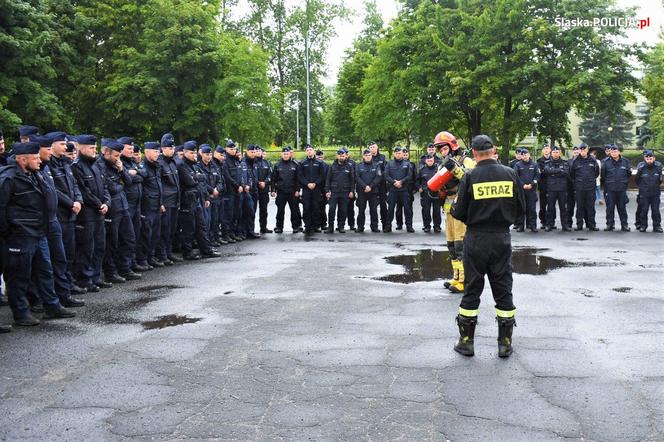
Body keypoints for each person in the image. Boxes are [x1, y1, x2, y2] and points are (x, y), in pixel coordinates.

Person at [450, 135, 524, 358]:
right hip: (501, 238)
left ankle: (466, 342)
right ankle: (505, 343)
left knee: (472, 288)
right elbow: (522, 208)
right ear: (494, 150)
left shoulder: (470, 176)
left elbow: (459, 212)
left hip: (476, 239)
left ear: (473, 153)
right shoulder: (510, 174)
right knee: (503, 288)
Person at [0, 141, 76, 327]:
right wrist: (9, 232)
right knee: (18, 276)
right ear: (22, 159)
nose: (39, 161)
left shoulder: (35, 173)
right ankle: (21, 313)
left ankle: (52, 305)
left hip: (39, 232)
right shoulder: (9, 179)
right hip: (20, 234)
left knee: (45, 271)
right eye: (34, 158)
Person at [431, 131, 475, 293]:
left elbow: (469, 179)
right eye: (440, 150)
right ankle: (456, 277)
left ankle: (464, 280)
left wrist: (454, 168)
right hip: (449, 210)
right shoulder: (442, 164)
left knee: (460, 245)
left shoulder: (466, 160)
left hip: (462, 209)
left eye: (444, 148)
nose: (443, 151)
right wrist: (436, 191)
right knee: (451, 245)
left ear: (452, 146)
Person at [47, 133, 87, 295]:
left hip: (71, 215)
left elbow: (75, 185)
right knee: (58, 255)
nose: (66, 147)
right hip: (60, 214)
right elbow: (53, 190)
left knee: (69, 253)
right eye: (62, 144)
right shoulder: (48, 165)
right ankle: (60, 289)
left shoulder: (66, 163)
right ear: (53, 145)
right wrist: (71, 203)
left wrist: (78, 200)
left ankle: (68, 284)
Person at [72, 135, 111, 292]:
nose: (94, 150)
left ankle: (95, 276)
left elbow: (105, 187)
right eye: (91, 148)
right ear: (81, 148)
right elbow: (84, 191)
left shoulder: (95, 166)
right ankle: (85, 278)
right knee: (87, 247)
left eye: (95, 148)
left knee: (99, 246)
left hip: (99, 213)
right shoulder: (77, 166)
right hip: (87, 213)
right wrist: (99, 204)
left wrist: (107, 203)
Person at [99, 139, 137, 283]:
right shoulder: (100, 166)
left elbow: (128, 182)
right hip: (112, 209)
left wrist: (121, 170)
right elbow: (111, 188)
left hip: (123, 206)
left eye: (119, 156)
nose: (118, 158)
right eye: (115, 156)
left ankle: (124, 268)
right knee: (112, 243)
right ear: (105, 153)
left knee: (129, 239)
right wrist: (119, 184)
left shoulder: (117, 165)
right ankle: (111, 272)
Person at [178, 141, 220, 260]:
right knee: (189, 228)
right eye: (191, 153)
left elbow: (201, 181)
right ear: (185, 153)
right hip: (187, 201)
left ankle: (206, 250)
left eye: (195, 153)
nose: (194, 155)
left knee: (202, 226)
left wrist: (206, 196)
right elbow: (190, 182)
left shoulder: (193, 165)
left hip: (197, 199)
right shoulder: (181, 165)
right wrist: (198, 178)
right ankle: (188, 252)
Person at [136, 142, 164, 268]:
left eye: (158, 152)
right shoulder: (143, 167)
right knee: (146, 234)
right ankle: (142, 259)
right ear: (146, 152)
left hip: (156, 204)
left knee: (155, 234)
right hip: (147, 206)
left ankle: (150, 257)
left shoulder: (156, 166)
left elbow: (158, 186)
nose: (157, 154)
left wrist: (161, 202)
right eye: (155, 151)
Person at [156, 133, 181, 267]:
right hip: (165, 201)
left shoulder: (172, 162)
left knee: (171, 229)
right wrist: (161, 202)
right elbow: (159, 185)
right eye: (169, 148)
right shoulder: (160, 163)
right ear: (162, 148)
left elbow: (176, 183)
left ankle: (168, 252)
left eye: (173, 148)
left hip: (174, 201)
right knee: (164, 230)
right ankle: (162, 255)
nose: (172, 150)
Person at [118, 137, 143, 270]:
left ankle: (132, 263)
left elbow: (142, 175)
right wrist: (129, 174)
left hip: (136, 204)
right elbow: (127, 181)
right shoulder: (119, 163)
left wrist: (134, 174)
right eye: (129, 148)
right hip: (127, 203)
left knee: (135, 235)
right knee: (127, 236)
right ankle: (125, 265)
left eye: (132, 148)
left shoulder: (132, 162)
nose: (132, 151)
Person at [271, 147, 302, 233]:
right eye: (284, 154)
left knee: (294, 210)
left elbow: (298, 179)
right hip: (281, 192)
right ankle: (279, 227)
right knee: (280, 211)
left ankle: (295, 227)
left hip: (292, 191)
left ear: (290, 154)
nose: (285, 155)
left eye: (287, 154)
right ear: (281, 154)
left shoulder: (295, 165)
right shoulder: (277, 165)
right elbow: (274, 179)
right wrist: (273, 190)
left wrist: (297, 190)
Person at [601, 145, 631, 231]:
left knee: (622, 208)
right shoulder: (605, 162)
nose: (614, 153)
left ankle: (624, 225)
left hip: (621, 189)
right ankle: (610, 225)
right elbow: (603, 176)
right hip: (610, 189)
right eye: (612, 152)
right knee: (610, 208)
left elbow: (628, 174)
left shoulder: (625, 161)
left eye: (615, 151)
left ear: (619, 152)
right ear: (610, 152)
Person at [325, 148, 355, 233]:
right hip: (334, 192)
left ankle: (341, 226)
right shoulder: (332, 166)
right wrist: (327, 191)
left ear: (346, 156)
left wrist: (352, 191)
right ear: (337, 156)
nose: (341, 157)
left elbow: (352, 180)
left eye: (343, 156)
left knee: (343, 210)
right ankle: (330, 227)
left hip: (345, 192)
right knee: (331, 210)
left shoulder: (349, 166)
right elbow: (328, 179)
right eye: (340, 156)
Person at [570, 143, 599, 231]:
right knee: (580, 207)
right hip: (579, 188)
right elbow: (572, 174)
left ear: (587, 150)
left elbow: (596, 172)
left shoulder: (593, 160)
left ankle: (591, 225)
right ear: (579, 150)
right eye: (581, 150)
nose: (583, 152)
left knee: (590, 207)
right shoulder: (575, 161)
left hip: (590, 187)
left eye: (584, 150)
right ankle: (579, 225)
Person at [298, 144, 326, 234]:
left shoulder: (319, 163)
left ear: (314, 151)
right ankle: (307, 226)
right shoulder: (302, 163)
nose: (309, 151)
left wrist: (315, 183)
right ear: (306, 152)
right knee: (306, 208)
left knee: (316, 207)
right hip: (306, 189)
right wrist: (307, 184)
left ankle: (316, 226)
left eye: (311, 149)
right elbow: (300, 176)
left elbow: (322, 175)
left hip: (316, 189)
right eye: (307, 150)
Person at [542, 146, 570, 231]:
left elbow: (566, 172)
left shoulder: (565, 162)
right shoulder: (547, 163)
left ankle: (565, 225)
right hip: (551, 189)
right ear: (551, 153)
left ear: (559, 152)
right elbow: (547, 171)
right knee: (550, 208)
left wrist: (553, 172)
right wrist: (559, 171)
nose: (555, 154)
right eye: (554, 152)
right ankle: (549, 225)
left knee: (563, 208)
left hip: (562, 189)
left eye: (557, 152)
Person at [221, 140, 245, 241]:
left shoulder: (236, 160)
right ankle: (226, 234)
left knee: (236, 213)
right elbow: (227, 176)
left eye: (234, 149)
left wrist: (242, 185)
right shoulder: (226, 161)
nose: (233, 150)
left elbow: (240, 175)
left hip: (237, 191)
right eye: (231, 149)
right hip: (230, 191)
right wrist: (237, 185)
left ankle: (233, 232)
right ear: (226, 149)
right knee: (228, 214)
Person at [354, 148, 382, 232]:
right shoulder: (359, 166)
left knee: (373, 210)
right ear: (363, 156)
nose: (368, 157)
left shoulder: (376, 165)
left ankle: (374, 227)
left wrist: (370, 186)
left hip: (373, 191)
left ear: (371, 156)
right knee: (361, 210)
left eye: (369, 155)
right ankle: (360, 227)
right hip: (362, 192)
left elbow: (379, 177)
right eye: (366, 155)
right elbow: (357, 177)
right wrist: (364, 186)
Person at [512, 148, 540, 232]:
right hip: (521, 190)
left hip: (531, 190)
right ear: (521, 156)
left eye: (526, 154)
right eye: (523, 155)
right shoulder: (518, 165)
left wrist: (532, 184)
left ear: (529, 155)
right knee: (521, 208)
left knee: (532, 209)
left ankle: (532, 226)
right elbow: (516, 176)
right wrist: (523, 185)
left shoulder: (534, 165)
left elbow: (537, 176)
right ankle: (521, 226)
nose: (524, 156)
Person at [635, 150, 662, 232]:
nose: (649, 160)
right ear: (645, 159)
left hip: (655, 193)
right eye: (647, 158)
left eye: (651, 158)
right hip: (644, 194)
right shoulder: (641, 168)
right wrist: (643, 188)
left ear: (654, 158)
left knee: (656, 211)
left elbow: (660, 180)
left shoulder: (658, 167)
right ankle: (643, 226)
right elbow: (637, 180)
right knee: (644, 210)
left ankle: (657, 226)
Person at [239, 144, 260, 239]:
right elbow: (242, 176)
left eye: (254, 152)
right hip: (247, 191)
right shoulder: (244, 162)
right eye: (252, 152)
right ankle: (245, 231)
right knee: (248, 212)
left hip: (254, 190)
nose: (253, 154)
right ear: (247, 152)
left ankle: (250, 230)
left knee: (253, 211)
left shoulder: (254, 162)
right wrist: (244, 185)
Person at [417, 154, 442, 233]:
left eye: (431, 160)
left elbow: (442, 180)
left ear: (433, 160)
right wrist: (419, 187)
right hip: (425, 193)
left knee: (437, 210)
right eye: (428, 161)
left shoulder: (438, 169)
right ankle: (427, 226)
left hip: (436, 192)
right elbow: (417, 181)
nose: (430, 162)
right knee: (426, 210)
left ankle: (437, 226)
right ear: (425, 161)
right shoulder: (422, 170)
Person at [369, 142, 389, 231]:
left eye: (374, 147)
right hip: (372, 185)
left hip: (381, 185)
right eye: (371, 147)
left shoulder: (382, 157)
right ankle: (374, 226)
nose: (372, 149)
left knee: (383, 206)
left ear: (377, 148)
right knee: (373, 207)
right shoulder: (368, 157)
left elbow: (385, 171)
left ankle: (385, 225)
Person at [255, 146, 272, 234]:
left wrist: (265, 182)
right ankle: (250, 229)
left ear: (262, 152)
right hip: (254, 190)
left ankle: (263, 227)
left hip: (264, 190)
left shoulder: (266, 163)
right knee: (251, 210)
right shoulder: (252, 162)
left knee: (264, 210)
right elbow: (251, 175)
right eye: (256, 151)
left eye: (259, 151)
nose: (258, 152)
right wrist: (258, 182)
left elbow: (270, 174)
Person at [537, 144, 552, 228]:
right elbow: (540, 173)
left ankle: (551, 222)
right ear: (542, 151)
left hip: (552, 185)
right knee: (543, 205)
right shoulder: (539, 161)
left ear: (550, 150)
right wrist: (550, 171)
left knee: (551, 205)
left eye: (547, 148)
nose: (546, 150)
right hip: (543, 186)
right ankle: (543, 221)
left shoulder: (553, 160)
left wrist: (548, 171)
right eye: (544, 149)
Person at [316, 149, 329, 231]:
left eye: (321, 156)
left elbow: (328, 178)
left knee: (322, 207)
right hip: (315, 188)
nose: (320, 157)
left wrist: (327, 190)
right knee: (314, 207)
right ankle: (316, 224)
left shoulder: (327, 166)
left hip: (323, 188)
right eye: (318, 156)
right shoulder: (314, 164)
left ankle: (323, 224)